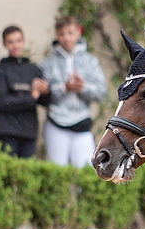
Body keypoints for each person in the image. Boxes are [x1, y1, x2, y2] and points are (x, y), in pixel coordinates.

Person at [40, 16, 107, 167]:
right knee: (57, 172)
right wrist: (64, 88)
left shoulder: (90, 61)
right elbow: (44, 96)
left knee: (85, 170)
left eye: (70, 33)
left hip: (82, 124)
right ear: (56, 35)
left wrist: (83, 87)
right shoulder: (48, 63)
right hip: (57, 123)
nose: (66, 38)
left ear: (78, 32)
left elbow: (101, 92)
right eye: (62, 34)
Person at [0, 25, 50, 158]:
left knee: (26, 172)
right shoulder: (1, 70)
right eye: (10, 42)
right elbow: (3, 102)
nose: (15, 45)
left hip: (28, 131)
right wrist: (32, 96)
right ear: (4, 44)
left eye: (18, 41)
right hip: (7, 131)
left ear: (23, 42)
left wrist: (45, 91)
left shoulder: (34, 70)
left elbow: (45, 102)